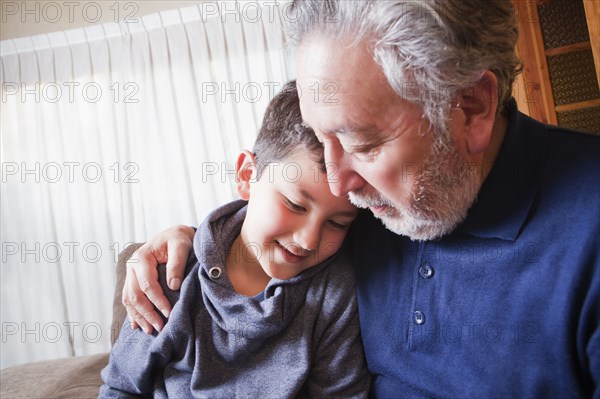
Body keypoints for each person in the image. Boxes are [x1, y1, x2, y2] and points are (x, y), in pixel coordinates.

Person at [122, 1, 600, 397]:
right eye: (323, 136)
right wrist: (183, 241)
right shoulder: (369, 207)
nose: (338, 182)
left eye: (362, 145)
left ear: (471, 108)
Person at [100, 81, 370, 398]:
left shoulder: (334, 290)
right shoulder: (173, 280)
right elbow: (122, 388)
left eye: (337, 223)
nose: (309, 239)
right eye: (295, 205)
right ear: (246, 176)